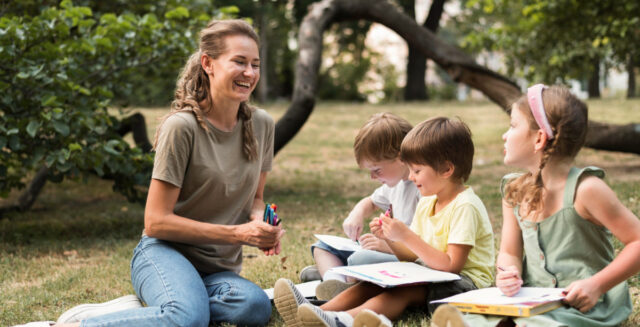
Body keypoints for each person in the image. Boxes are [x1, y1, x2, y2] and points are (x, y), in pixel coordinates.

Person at [14, 19, 283, 327]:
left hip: (217, 269)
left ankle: (148, 310)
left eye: (255, 64)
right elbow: (156, 222)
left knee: (254, 307)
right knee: (188, 318)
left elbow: (256, 200)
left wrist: (263, 225)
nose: (249, 73)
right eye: (239, 62)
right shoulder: (181, 127)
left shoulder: (262, 125)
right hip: (163, 255)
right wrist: (236, 234)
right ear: (208, 63)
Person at [431, 84, 640, 327]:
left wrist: (596, 285)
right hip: (533, 301)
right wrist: (509, 272)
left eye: (512, 126)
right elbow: (509, 252)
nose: (505, 135)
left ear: (539, 138)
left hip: (585, 306)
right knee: (476, 318)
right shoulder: (514, 191)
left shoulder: (587, 190)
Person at [275, 117, 495, 327]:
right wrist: (391, 239)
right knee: (372, 283)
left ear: (447, 169)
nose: (410, 177)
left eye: (417, 170)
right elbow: (411, 257)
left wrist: (407, 236)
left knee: (401, 291)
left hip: (465, 285)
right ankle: (318, 311)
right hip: (433, 274)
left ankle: (342, 320)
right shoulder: (429, 202)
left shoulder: (465, 206)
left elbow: (452, 266)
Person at [301, 112, 421, 301]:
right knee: (322, 246)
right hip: (385, 252)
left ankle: (340, 279)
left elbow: (424, 245)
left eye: (377, 170)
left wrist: (386, 247)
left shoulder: (423, 187)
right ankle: (333, 282)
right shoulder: (395, 183)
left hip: (407, 258)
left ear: (401, 158)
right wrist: (357, 213)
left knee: (359, 259)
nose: (373, 177)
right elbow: (371, 201)